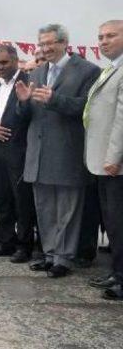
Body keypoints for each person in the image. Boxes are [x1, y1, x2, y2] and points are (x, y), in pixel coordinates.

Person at [14, 24, 99, 277]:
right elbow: (26, 116)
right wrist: (23, 102)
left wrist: (55, 100)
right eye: (42, 44)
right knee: (45, 208)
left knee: (68, 210)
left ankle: (64, 258)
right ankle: (50, 253)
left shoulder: (87, 71)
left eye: (50, 43)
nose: (46, 48)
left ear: (64, 43)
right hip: (38, 154)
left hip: (66, 153)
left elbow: (87, 108)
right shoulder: (38, 72)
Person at [0, 45, 35, 263]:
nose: (0, 67)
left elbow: (29, 116)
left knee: (21, 202)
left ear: (15, 60)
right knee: (1, 198)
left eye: (4, 62)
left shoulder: (28, 81)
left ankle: (24, 246)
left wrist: (23, 101)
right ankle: (6, 242)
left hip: (18, 150)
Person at [84, 20, 123, 299]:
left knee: (119, 222)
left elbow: (122, 119)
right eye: (100, 36)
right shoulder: (111, 69)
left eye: (111, 35)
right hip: (102, 160)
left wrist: (114, 156)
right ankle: (117, 272)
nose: (103, 41)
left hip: (115, 163)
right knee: (112, 223)